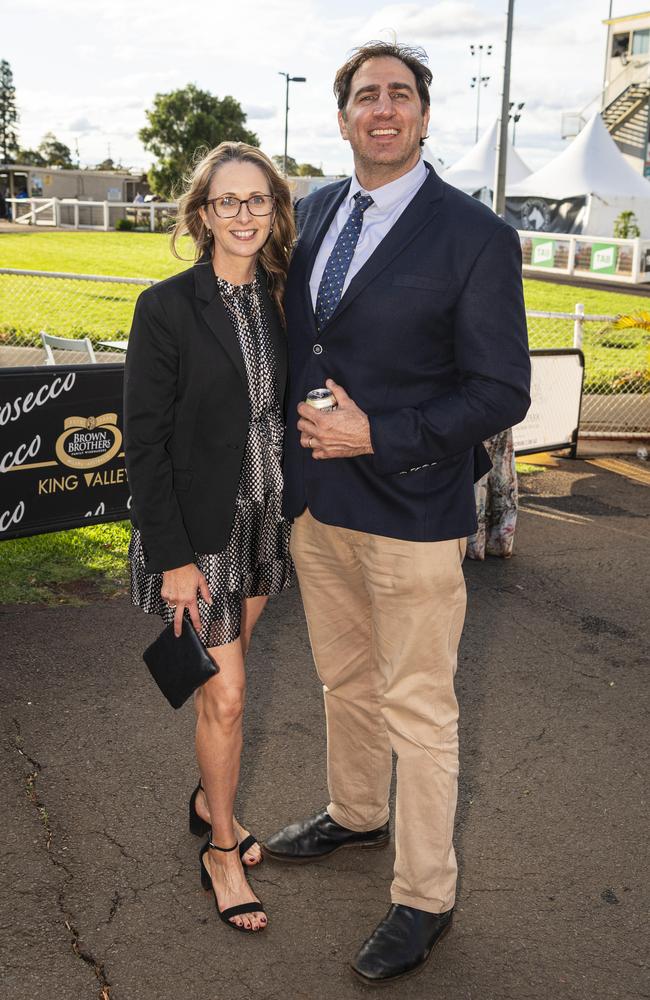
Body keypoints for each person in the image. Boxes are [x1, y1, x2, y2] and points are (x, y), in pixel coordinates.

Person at [263, 42, 531, 982]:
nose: (383, 108)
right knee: (344, 680)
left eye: (401, 95)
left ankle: (424, 896)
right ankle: (355, 813)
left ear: (422, 116)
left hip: (413, 509)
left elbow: (501, 391)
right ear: (342, 118)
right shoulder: (317, 212)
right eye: (365, 96)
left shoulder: (476, 236)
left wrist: (381, 435)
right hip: (318, 506)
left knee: (420, 710)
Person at [124, 142, 295, 934]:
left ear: (274, 210)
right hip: (200, 532)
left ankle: (204, 797)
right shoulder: (165, 308)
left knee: (229, 679)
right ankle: (220, 848)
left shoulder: (284, 302)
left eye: (256, 200)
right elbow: (145, 441)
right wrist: (173, 561)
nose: (243, 215)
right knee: (225, 698)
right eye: (227, 201)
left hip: (266, 517)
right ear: (202, 213)